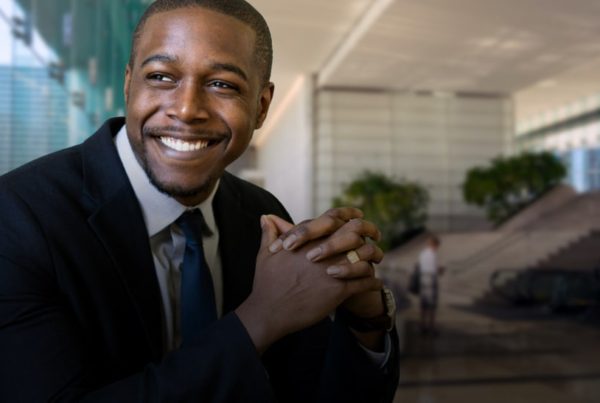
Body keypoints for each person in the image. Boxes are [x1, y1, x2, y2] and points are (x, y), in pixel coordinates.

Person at [0, 0, 399, 402]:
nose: (187, 109)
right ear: (128, 84)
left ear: (261, 106)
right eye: (160, 76)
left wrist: (364, 321)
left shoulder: (263, 215)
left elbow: (307, 392)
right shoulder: (16, 216)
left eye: (222, 84)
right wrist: (259, 319)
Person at [417, 234, 443, 334]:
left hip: (423, 279)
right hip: (431, 280)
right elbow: (434, 270)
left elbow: (420, 266)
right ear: (434, 244)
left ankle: (422, 326)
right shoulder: (432, 254)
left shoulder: (423, 253)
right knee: (432, 305)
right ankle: (431, 327)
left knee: (423, 305)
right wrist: (440, 269)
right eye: (437, 246)